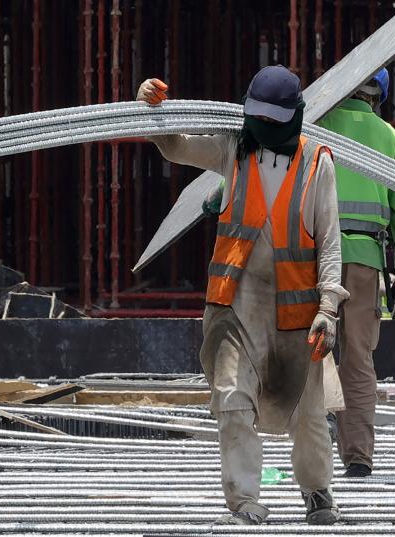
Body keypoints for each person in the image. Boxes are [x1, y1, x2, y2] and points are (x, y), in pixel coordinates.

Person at [136, 67, 349, 526]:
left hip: (299, 313)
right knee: (232, 400)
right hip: (237, 306)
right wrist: (155, 111)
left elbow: (331, 242)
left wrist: (328, 309)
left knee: (309, 416)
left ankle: (317, 491)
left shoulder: (318, 163)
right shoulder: (236, 149)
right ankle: (245, 499)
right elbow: (178, 148)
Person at [316, 68, 395, 478]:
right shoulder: (388, 137)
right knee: (357, 359)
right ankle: (357, 456)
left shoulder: (318, 124)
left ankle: (313, 451)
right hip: (364, 263)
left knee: (313, 353)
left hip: (314, 258)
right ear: (380, 97)